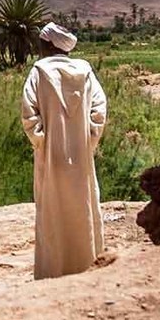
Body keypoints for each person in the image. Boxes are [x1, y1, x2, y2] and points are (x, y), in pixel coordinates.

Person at [20, 21, 108, 280]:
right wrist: (86, 141)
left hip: (51, 158)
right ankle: (86, 267)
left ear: (48, 44)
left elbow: (29, 115)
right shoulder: (86, 71)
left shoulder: (38, 72)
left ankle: (53, 273)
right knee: (83, 208)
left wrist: (44, 143)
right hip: (81, 158)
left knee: (53, 213)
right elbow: (99, 111)